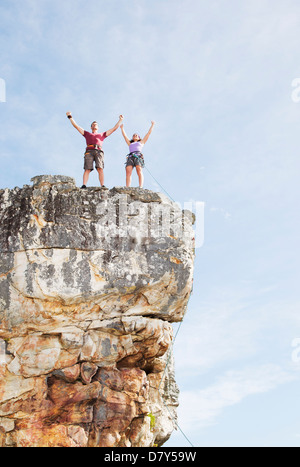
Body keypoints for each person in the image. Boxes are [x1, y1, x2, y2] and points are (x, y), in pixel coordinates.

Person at [66, 111, 124, 188]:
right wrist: (70, 116)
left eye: (96, 124)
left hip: (99, 151)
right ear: (91, 127)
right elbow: (76, 126)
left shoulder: (102, 134)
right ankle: (84, 185)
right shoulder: (87, 133)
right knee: (87, 169)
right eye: (93, 124)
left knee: (100, 168)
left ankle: (102, 185)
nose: (94, 125)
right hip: (89, 151)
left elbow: (114, 129)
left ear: (98, 127)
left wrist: (120, 120)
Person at [120, 121, 155, 188]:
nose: (135, 136)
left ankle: (140, 186)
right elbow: (125, 136)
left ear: (139, 138)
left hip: (138, 156)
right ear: (132, 138)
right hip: (131, 156)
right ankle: (127, 187)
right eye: (134, 135)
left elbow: (148, 133)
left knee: (139, 170)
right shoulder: (130, 143)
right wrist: (122, 128)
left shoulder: (141, 142)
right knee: (128, 172)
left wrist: (152, 125)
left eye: (136, 135)